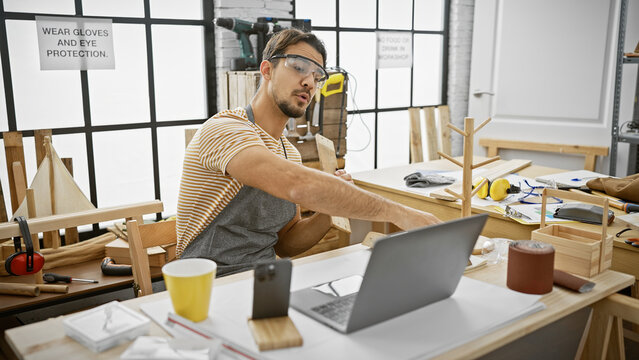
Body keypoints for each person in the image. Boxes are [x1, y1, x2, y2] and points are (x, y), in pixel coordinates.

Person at [176, 28, 440, 276]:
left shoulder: (288, 152)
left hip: (264, 282)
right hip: (208, 284)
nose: (309, 83)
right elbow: (297, 184)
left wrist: (329, 209)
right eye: (299, 68)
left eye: (317, 77)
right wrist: (402, 213)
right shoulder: (226, 129)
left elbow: (286, 244)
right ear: (267, 70)